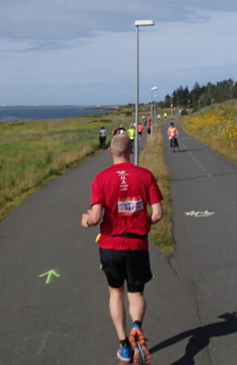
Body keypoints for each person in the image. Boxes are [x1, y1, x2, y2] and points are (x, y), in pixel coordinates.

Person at [81, 134, 163, 364]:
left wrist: (86, 219)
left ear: (110, 152)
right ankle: (136, 326)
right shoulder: (145, 176)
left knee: (115, 293)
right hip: (137, 244)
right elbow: (157, 213)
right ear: (132, 151)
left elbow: (96, 217)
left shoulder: (100, 179)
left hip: (111, 244)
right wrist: (144, 223)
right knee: (135, 293)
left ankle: (124, 346)